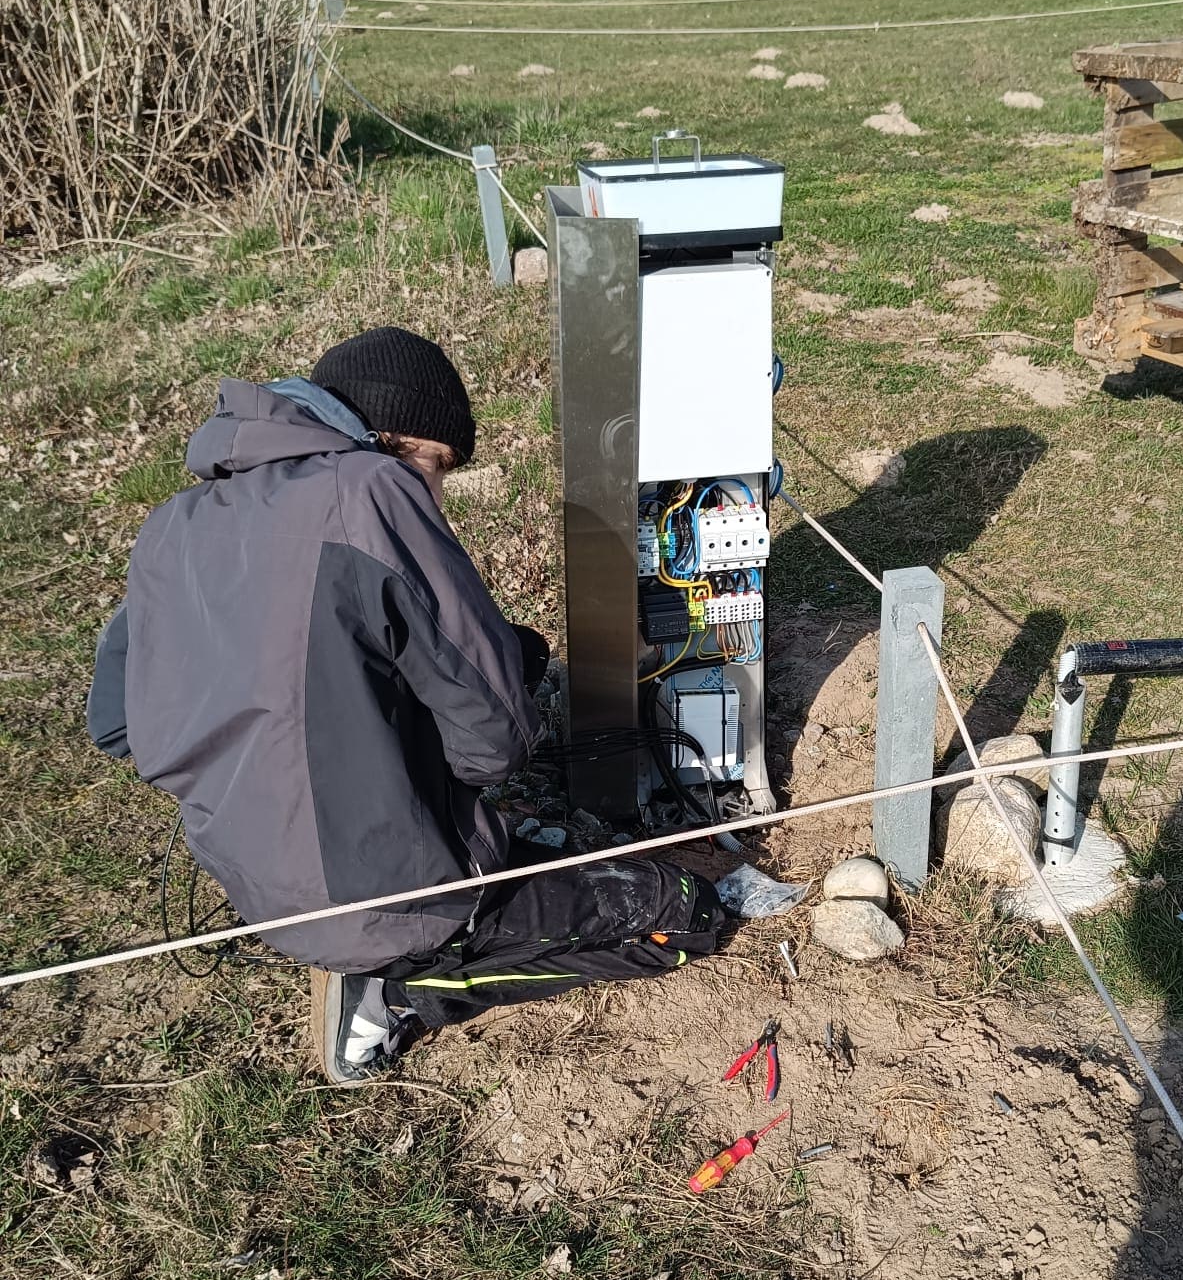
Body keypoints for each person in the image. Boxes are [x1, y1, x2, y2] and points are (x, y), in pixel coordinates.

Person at [87, 327, 722, 1084]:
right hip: (391, 900)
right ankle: (401, 990)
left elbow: (117, 724)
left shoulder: (172, 524)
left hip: (254, 886)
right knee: (687, 912)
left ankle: (375, 950)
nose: (440, 492)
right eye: (439, 464)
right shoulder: (371, 491)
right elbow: (494, 742)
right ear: (389, 438)